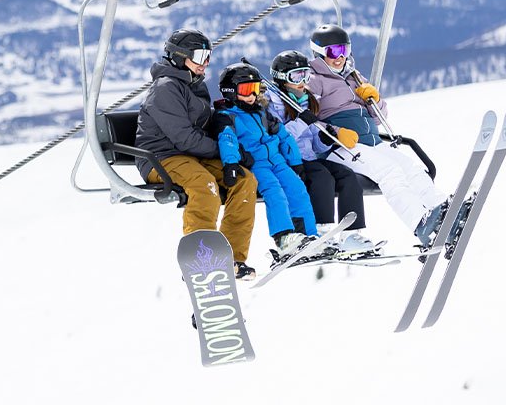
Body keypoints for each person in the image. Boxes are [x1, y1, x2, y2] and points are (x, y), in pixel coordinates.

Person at [303, 24, 451, 247]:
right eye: (333, 52)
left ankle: (443, 211)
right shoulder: (313, 79)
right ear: (319, 53)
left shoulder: (354, 76)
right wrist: (334, 132)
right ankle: (420, 223)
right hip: (340, 145)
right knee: (390, 172)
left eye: (344, 50)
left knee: (411, 169)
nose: (340, 57)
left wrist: (375, 99)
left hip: (372, 141)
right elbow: (306, 119)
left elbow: (381, 115)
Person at [135, 29, 260, 280]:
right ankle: (200, 258)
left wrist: (225, 127)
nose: (205, 63)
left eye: (208, 56)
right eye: (200, 56)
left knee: (245, 181)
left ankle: (232, 258)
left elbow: (204, 124)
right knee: (205, 186)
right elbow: (184, 138)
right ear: (180, 57)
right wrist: (226, 154)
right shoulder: (166, 88)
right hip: (162, 158)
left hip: (191, 156)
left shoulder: (193, 85)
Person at [265, 50, 375, 254]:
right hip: (288, 160)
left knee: (347, 176)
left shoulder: (307, 100)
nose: (303, 81)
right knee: (322, 177)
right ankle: (321, 232)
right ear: (282, 79)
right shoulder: (272, 104)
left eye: (306, 75)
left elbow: (314, 141)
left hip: (309, 156)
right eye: (296, 76)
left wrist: (323, 140)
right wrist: (300, 122)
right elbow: (277, 139)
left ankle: (351, 234)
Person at [211, 62, 321, 264]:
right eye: (246, 90)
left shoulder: (262, 113)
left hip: (278, 161)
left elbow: (284, 136)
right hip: (257, 165)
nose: (252, 95)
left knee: (298, 189)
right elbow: (227, 141)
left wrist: (295, 162)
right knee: (274, 192)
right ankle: (284, 237)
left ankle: (308, 234)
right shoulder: (227, 117)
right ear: (231, 92)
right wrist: (231, 164)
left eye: (255, 89)